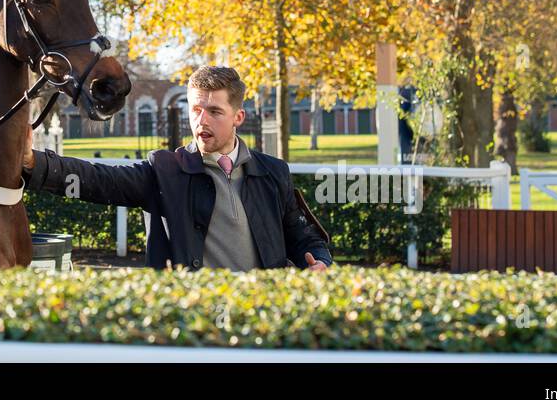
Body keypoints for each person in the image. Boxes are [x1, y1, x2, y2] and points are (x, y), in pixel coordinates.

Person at [23, 65, 333, 271]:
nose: (202, 121)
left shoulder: (273, 172)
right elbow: (100, 180)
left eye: (214, 111)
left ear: (238, 117)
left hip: (264, 318)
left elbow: (304, 237)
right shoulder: (166, 171)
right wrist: (35, 163)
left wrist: (319, 261)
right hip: (193, 319)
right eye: (196, 110)